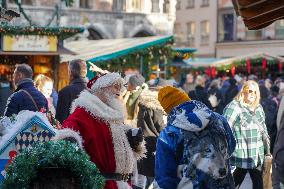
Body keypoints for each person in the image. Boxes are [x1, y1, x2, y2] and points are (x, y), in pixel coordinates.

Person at [61, 73, 145, 189]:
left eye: (120, 86)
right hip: (100, 185)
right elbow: (66, 142)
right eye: (115, 86)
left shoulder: (113, 116)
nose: (119, 90)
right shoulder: (82, 114)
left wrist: (131, 140)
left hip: (122, 184)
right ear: (101, 87)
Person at [154, 86, 236, 189]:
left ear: (168, 110)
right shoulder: (219, 119)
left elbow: (165, 177)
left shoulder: (169, 134)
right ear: (187, 99)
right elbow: (231, 147)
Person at [223, 80, 269, 189]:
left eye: (255, 92)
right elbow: (224, 129)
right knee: (235, 181)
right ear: (243, 91)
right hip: (241, 154)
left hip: (257, 154)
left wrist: (268, 150)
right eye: (250, 91)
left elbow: (264, 128)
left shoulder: (259, 107)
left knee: (259, 183)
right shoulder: (234, 106)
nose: (253, 94)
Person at [55, 59, 87, 123]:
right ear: (85, 73)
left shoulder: (65, 92)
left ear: (70, 72)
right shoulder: (93, 91)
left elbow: (60, 121)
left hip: (70, 131)